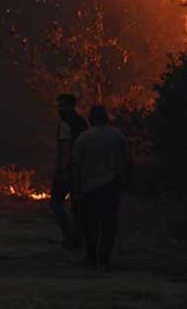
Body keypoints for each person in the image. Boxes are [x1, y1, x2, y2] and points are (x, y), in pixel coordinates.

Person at [70, 104, 131, 271]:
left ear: (91, 119)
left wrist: (75, 190)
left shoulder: (83, 138)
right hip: (111, 187)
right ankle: (104, 260)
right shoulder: (118, 137)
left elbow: (76, 165)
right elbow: (125, 162)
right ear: (106, 118)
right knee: (108, 226)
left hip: (89, 188)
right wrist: (122, 184)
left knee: (90, 225)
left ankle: (91, 258)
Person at [50, 93, 88, 249]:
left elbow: (65, 149)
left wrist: (63, 170)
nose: (60, 109)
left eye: (62, 106)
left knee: (56, 203)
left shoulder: (65, 124)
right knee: (77, 206)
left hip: (68, 170)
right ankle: (77, 238)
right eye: (59, 106)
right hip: (81, 169)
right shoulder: (83, 123)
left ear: (71, 106)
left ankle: (70, 237)